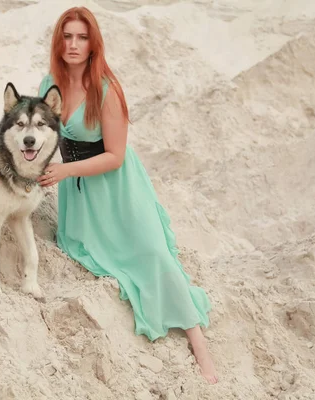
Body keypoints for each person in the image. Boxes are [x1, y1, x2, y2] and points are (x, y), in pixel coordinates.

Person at [35, 6, 218, 384]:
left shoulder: (105, 89)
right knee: (94, 255)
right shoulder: (47, 85)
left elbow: (115, 157)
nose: (73, 44)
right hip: (82, 197)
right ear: (58, 41)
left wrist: (64, 170)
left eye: (81, 37)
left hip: (116, 188)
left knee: (153, 254)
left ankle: (198, 340)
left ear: (92, 43)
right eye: (67, 36)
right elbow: (45, 137)